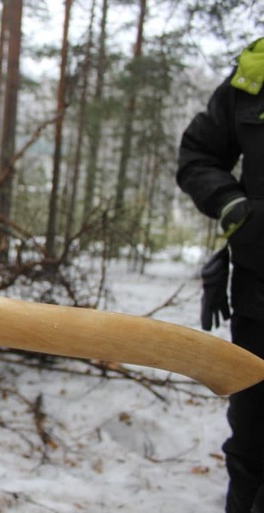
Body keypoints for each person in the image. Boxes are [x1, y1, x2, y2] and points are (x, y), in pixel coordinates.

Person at [177, 37, 264, 513]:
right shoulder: (255, 75)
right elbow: (198, 154)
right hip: (258, 293)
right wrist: (235, 211)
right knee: (251, 445)